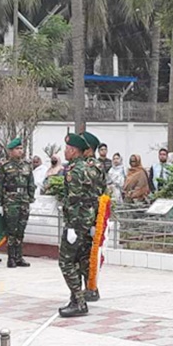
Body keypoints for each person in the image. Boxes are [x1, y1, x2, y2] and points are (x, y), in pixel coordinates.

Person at [57, 133, 99, 317]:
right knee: (79, 260)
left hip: (77, 222)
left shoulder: (74, 171)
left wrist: (72, 227)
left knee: (66, 261)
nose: (65, 152)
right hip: (87, 220)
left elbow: (74, 200)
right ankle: (76, 299)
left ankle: (79, 302)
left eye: (67, 149)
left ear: (74, 151)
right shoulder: (89, 168)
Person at [0, 138, 35, 269]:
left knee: (21, 230)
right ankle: (11, 258)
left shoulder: (27, 165)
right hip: (11, 201)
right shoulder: (5, 166)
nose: (20, 151)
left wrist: (31, 198)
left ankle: (19, 257)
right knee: (11, 231)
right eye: (17, 149)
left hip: (24, 200)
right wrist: (0, 203)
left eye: (21, 148)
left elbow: (31, 183)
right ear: (10, 151)